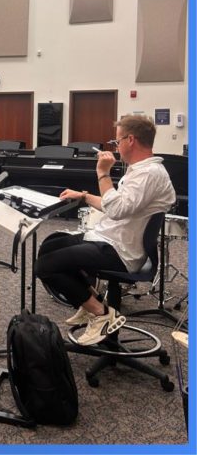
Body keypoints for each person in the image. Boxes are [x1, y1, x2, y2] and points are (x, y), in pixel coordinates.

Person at [37, 114, 177, 346]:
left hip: (120, 251)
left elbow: (116, 209)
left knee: (45, 266)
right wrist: (82, 196)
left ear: (130, 140)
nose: (116, 146)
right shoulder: (140, 170)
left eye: (117, 141)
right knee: (51, 245)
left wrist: (102, 173)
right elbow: (115, 205)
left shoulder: (148, 174)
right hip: (109, 237)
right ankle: (89, 302)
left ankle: (101, 314)